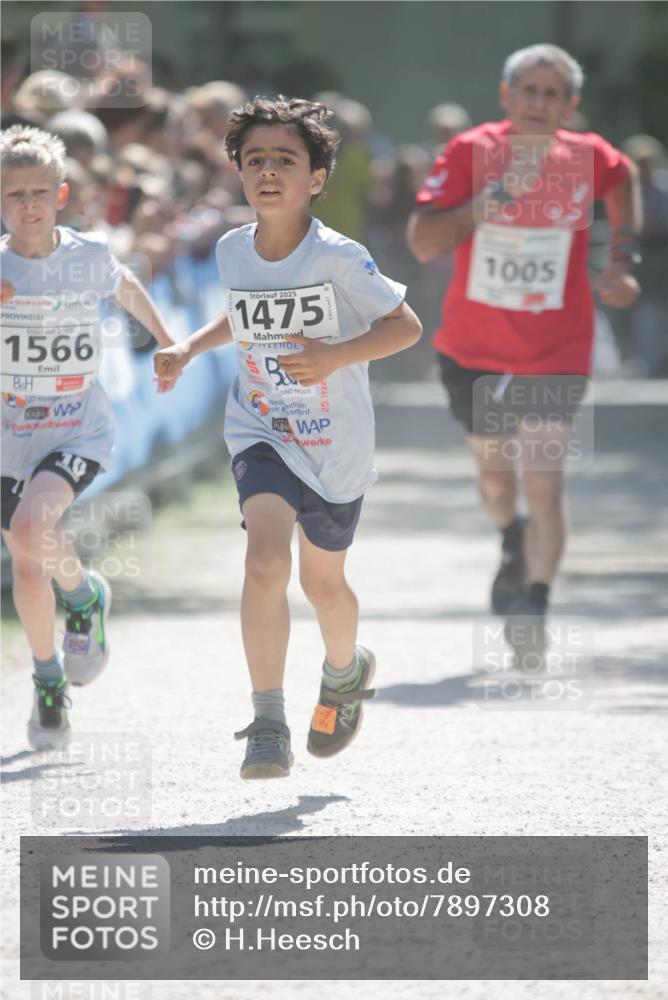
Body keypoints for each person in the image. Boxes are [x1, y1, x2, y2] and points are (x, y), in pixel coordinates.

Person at [155, 96, 422, 780]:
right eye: (255, 161)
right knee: (266, 562)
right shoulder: (229, 248)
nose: (269, 172)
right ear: (238, 174)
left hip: (335, 443)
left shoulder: (339, 256)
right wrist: (188, 346)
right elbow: (242, 319)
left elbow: (405, 329)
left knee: (323, 585)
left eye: (286, 160)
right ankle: (268, 720)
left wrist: (334, 356)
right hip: (261, 429)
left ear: (317, 179)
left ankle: (344, 671)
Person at [408, 44, 641, 664]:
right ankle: (511, 539)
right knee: (495, 477)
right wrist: (481, 208)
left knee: (543, 476)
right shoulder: (469, 152)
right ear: (507, 96)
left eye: (552, 93)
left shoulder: (588, 157)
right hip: (474, 347)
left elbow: (626, 180)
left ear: (571, 105)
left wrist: (623, 257)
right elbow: (423, 239)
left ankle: (533, 606)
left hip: (556, 347)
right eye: (529, 91)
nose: (540, 102)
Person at [1, 124, 177, 749]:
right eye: (15, 193)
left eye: (39, 192)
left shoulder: (88, 255)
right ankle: (49, 682)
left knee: (29, 531)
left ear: (62, 195)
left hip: (77, 428)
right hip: (7, 438)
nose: (27, 204)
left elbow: (128, 288)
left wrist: (167, 341)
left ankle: (79, 598)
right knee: (26, 563)